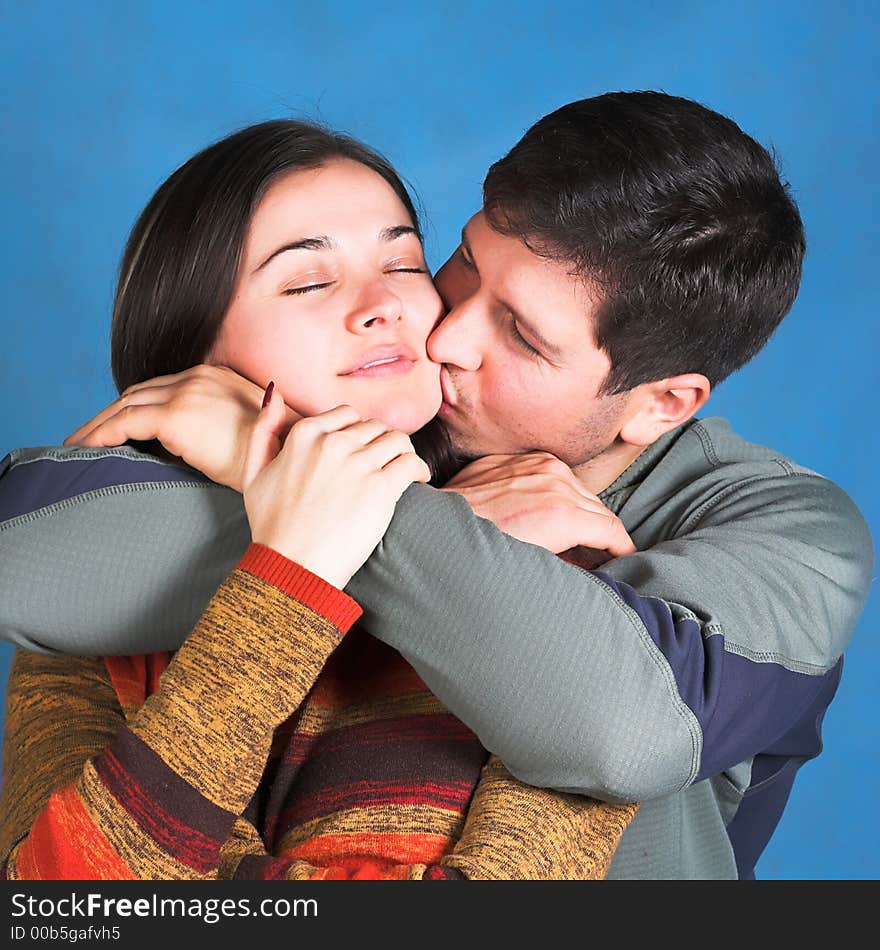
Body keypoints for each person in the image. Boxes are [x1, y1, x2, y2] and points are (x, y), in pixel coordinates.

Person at [0, 91, 873, 879]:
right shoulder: (376, 415)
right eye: (459, 261)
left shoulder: (785, 529)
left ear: (657, 405)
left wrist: (309, 494)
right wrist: (424, 519)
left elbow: (617, 729)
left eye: (522, 336)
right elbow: (35, 571)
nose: (447, 335)